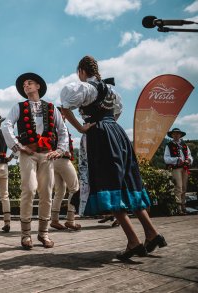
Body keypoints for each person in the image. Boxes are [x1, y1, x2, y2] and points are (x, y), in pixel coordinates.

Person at [60, 55, 167, 261]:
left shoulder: (86, 88)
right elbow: (116, 113)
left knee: (109, 185)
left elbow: (65, 107)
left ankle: (134, 241)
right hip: (117, 133)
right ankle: (152, 233)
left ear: (81, 71)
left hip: (100, 137)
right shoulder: (112, 91)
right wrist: (106, 122)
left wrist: (81, 127)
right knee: (127, 183)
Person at [2, 73, 68, 250]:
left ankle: (43, 233)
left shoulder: (52, 108)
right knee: (29, 190)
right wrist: (18, 147)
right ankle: (25, 235)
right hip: (28, 153)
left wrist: (59, 150)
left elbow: (62, 131)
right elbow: (6, 125)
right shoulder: (19, 107)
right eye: (24, 85)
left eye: (30, 83)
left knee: (47, 192)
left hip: (47, 154)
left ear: (38, 86)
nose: (26, 86)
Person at [49, 107, 81, 231]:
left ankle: (55, 220)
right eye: (64, 115)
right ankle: (70, 220)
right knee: (74, 188)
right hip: (62, 159)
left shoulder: (50, 127)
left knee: (60, 191)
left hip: (53, 162)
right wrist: (66, 152)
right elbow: (63, 144)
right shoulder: (60, 127)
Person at [164, 128, 194, 215]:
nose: (176, 135)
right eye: (174, 134)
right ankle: (179, 208)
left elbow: (189, 156)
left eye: (178, 133)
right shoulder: (168, 145)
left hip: (185, 168)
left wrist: (189, 160)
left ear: (180, 135)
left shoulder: (184, 145)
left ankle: (184, 207)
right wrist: (177, 159)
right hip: (176, 168)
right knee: (178, 187)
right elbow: (166, 159)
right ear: (172, 135)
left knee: (184, 187)